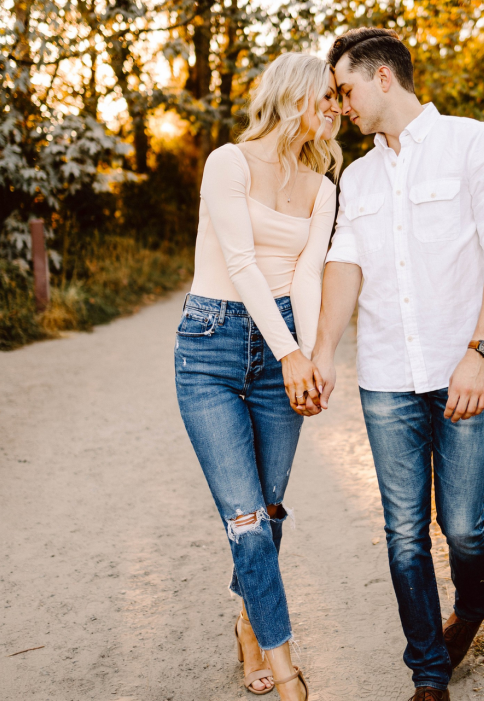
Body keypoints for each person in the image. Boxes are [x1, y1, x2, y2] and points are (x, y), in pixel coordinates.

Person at [310, 28, 484, 701]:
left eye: (345, 89)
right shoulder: (358, 176)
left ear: (382, 78)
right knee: (404, 532)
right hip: (386, 378)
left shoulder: (474, 143)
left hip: (463, 367)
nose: (341, 104)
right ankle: (429, 674)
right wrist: (323, 351)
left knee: (461, 525)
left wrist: (479, 353)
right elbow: (344, 263)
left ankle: (475, 600)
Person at [174, 52, 341, 700]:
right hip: (211, 348)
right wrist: (291, 351)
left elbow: (307, 274)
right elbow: (241, 262)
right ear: (295, 96)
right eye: (326, 96)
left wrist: (306, 356)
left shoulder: (323, 186)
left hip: (281, 353)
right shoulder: (229, 162)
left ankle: (248, 623)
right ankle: (288, 670)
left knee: (267, 513)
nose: (336, 109)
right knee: (245, 519)